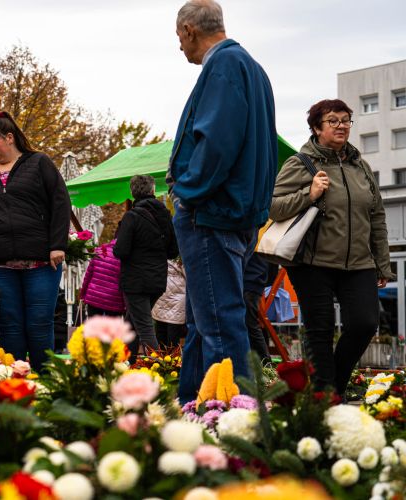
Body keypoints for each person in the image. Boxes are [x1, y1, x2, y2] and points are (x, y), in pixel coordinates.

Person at [168, 0, 278, 402]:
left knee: (218, 324)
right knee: (204, 321)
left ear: (189, 30)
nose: (179, 47)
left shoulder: (225, 66)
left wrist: (187, 191)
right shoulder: (249, 67)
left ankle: (228, 417)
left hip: (214, 213)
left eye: (179, 37)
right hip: (234, 213)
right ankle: (193, 404)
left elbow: (216, 141)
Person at [269, 98, 394, 398]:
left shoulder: (360, 167)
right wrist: (309, 194)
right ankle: (327, 399)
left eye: (346, 119)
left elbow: (376, 215)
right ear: (316, 128)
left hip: (359, 263)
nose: (342, 126)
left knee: (364, 323)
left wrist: (382, 263)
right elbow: (273, 207)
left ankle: (330, 388)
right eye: (333, 121)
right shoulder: (300, 164)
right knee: (320, 331)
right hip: (313, 264)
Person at [0, 111, 71, 370]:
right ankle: (13, 382)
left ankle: (44, 381)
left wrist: (58, 245)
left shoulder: (39, 163)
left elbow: (60, 203)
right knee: (9, 324)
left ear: (9, 138)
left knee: (39, 322)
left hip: (41, 263)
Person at [114, 175, 177, 357]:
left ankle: (158, 368)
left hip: (135, 281)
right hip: (157, 280)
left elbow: (121, 250)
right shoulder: (165, 215)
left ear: (133, 192)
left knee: (145, 327)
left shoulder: (131, 217)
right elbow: (173, 251)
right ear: (152, 191)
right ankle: (126, 361)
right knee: (131, 324)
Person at [79, 239, 125, 318]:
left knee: (93, 327)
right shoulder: (126, 257)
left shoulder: (99, 252)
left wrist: (83, 294)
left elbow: (88, 276)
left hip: (93, 297)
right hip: (114, 300)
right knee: (111, 329)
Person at [152, 259, 187, 349]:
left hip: (161, 294)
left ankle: (158, 361)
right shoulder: (180, 257)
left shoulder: (160, 252)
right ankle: (172, 361)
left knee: (160, 332)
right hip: (177, 299)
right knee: (173, 335)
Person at [243, 253, 271, 365]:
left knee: (249, 323)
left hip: (251, 277)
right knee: (249, 323)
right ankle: (264, 365)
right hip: (252, 276)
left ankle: (266, 365)